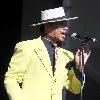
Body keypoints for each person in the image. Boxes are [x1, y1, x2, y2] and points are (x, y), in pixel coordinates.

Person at [4, 7, 91, 100]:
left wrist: (79, 67)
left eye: (66, 24)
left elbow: (75, 89)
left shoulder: (67, 55)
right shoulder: (27, 47)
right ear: (47, 25)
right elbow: (11, 79)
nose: (66, 28)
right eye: (61, 24)